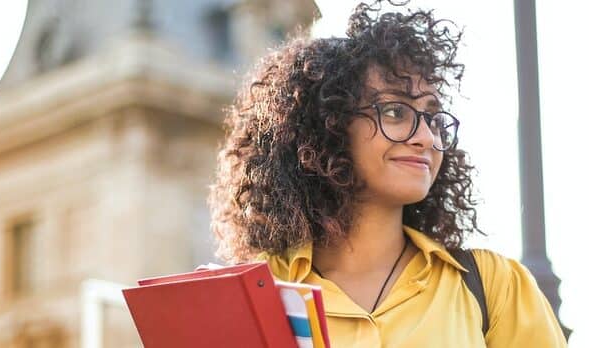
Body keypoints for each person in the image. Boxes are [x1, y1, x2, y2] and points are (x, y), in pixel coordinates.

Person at [208, 1, 567, 346]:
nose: (426, 138)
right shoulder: (256, 292)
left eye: (432, 117)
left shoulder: (494, 287)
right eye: (396, 112)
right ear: (329, 127)